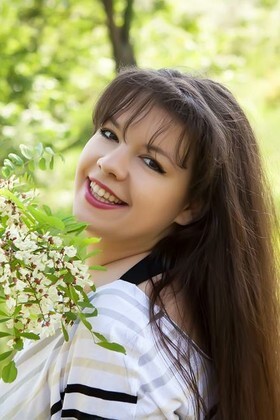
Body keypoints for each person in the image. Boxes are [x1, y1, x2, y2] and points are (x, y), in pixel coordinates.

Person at [0, 67, 279, 419]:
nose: (109, 163)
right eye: (109, 133)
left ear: (191, 205)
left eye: (151, 162)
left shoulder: (113, 327)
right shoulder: (176, 307)